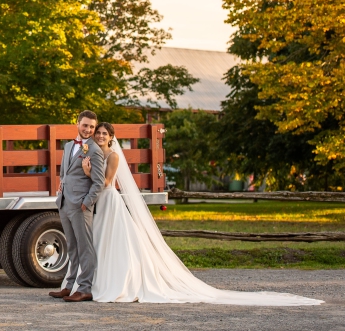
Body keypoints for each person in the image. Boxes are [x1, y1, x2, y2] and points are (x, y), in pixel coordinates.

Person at [87, 122, 322, 305]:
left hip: (110, 200)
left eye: (104, 134)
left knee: (114, 241)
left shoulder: (114, 156)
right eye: (98, 133)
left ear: (112, 137)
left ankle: (120, 282)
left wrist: (88, 173)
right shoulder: (95, 152)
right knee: (102, 241)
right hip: (103, 201)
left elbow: (107, 182)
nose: (100, 136)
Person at [50, 110, 105, 302]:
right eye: (85, 125)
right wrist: (60, 191)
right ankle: (68, 285)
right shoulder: (68, 146)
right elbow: (64, 173)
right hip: (65, 202)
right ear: (77, 123)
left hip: (81, 205)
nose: (89, 130)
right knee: (71, 247)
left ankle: (85, 288)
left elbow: (99, 183)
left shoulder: (95, 151)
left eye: (92, 126)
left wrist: (86, 203)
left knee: (85, 247)